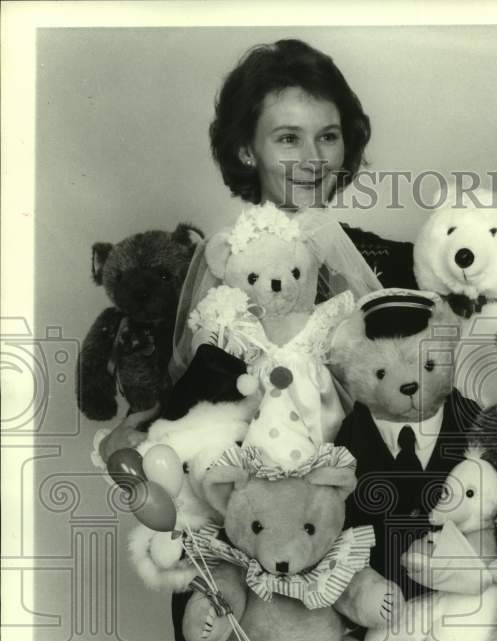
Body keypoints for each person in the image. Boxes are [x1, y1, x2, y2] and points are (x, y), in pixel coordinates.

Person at [98, 38, 416, 462]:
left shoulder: (396, 264)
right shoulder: (207, 274)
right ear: (246, 150)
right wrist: (121, 445)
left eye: (328, 136)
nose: (313, 159)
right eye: (288, 138)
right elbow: (172, 421)